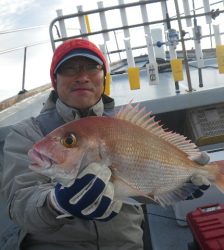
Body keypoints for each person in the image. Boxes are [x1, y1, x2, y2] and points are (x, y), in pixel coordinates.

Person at [1, 38, 210, 250]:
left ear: (104, 78)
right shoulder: (26, 134)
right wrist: (54, 203)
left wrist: (179, 186)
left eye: (93, 67)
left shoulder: (125, 126)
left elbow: (139, 191)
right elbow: (19, 203)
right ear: (55, 80)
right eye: (70, 69)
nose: (82, 77)